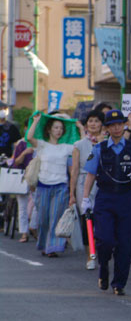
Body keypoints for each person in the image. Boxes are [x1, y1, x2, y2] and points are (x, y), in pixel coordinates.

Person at [81, 110, 131, 295]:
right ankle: (103, 270)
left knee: (125, 243)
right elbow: (91, 175)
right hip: (105, 198)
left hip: (126, 198)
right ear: (107, 128)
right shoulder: (99, 149)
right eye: (112, 125)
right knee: (105, 239)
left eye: (120, 124)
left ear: (124, 125)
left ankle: (119, 283)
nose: (117, 128)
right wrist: (86, 198)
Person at [27, 113, 76, 257]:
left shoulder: (66, 147)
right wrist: (36, 121)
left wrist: (78, 126)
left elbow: (80, 145)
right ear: (49, 129)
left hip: (60, 186)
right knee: (43, 219)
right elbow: (29, 137)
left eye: (61, 128)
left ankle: (52, 247)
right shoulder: (42, 144)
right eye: (56, 127)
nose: (59, 130)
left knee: (55, 218)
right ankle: (43, 244)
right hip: (43, 186)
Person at [69, 109, 105, 270]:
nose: (93, 124)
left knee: (103, 218)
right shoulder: (79, 144)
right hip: (84, 182)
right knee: (88, 219)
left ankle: (103, 251)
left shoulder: (108, 141)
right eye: (90, 121)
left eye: (97, 121)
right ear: (86, 124)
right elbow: (75, 169)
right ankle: (91, 255)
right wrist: (72, 193)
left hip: (104, 182)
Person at [12, 139, 37, 243]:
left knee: (38, 204)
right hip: (23, 177)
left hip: (37, 178)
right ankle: (24, 233)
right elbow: (16, 162)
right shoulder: (22, 144)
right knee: (22, 207)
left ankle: (34, 227)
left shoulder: (41, 143)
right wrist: (25, 153)